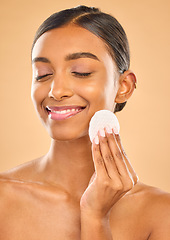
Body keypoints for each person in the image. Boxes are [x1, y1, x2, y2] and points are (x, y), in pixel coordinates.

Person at [0, 5, 170, 240]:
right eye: (43, 74)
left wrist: (95, 217)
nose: (56, 91)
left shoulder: (160, 213)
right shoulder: (3, 199)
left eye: (81, 72)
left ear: (124, 87)